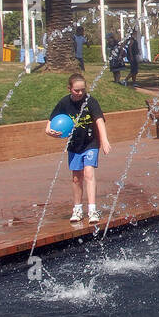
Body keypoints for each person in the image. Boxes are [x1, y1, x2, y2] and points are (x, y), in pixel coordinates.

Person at [47, 74, 111, 225]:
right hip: (74, 145)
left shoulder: (90, 101)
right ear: (69, 89)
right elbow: (50, 123)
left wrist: (104, 140)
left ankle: (92, 209)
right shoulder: (64, 103)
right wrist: (49, 132)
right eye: (76, 90)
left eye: (82, 89)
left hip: (90, 143)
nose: (80, 93)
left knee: (89, 173)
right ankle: (77, 209)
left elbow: (99, 120)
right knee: (76, 178)